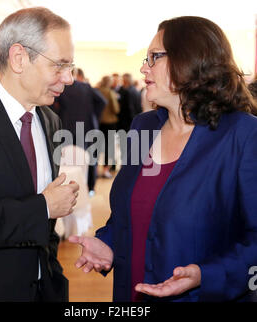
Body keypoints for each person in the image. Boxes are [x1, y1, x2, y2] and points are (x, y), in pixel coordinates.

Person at [69, 16, 257, 302]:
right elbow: (129, 212)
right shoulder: (143, 127)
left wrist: (206, 275)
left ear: (191, 59)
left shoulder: (243, 136)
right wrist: (108, 243)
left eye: (155, 57)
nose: (144, 67)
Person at [0, 7, 79, 302]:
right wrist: (43, 208)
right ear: (19, 58)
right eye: (60, 65)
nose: (70, 78)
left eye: (71, 66)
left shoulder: (50, 121)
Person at [51, 68, 106, 192]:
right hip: (87, 128)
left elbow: (52, 106)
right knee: (90, 158)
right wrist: (94, 117)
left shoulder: (62, 88)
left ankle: (69, 187)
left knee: (67, 160)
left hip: (67, 128)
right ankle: (90, 187)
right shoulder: (86, 87)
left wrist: (60, 116)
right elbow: (102, 101)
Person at [98, 76, 120, 178]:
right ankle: (106, 169)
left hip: (99, 122)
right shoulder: (110, 93)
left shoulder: (96, 91)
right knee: (109, 146)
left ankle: (96, 168)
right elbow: (116, 109)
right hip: (110, 122)